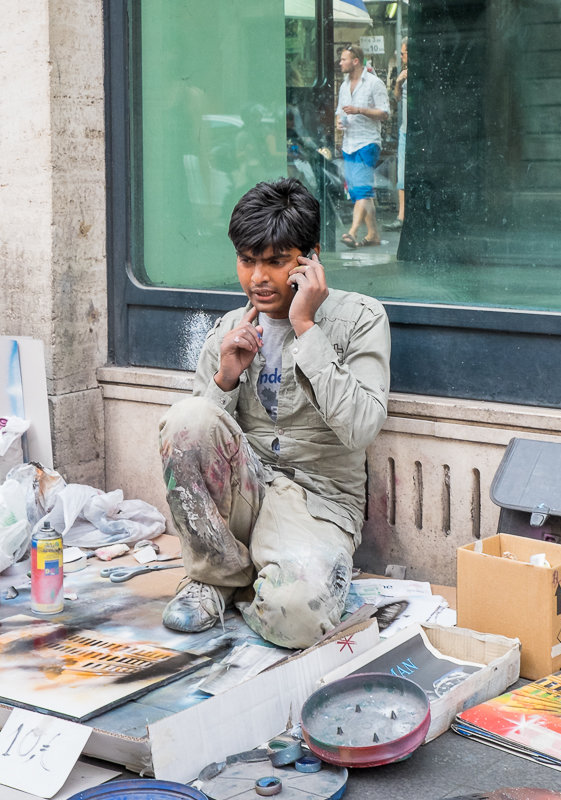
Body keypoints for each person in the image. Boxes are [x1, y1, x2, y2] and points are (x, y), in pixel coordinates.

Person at [158, 177, 391, 649]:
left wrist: (306, 328)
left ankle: (234, 583)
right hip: (246, 492)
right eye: (247, 261)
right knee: (188, 417)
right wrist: (225, 377)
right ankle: (218, 573)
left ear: (310, 258)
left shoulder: (361, 319)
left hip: (319, 503)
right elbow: (194, 445)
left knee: (298, 622)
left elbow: (362, 426)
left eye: (275, 261)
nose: (258, 278)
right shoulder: (229, 329)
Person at [336, 45, 390, 248]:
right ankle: (373, 234)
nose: (340, 63)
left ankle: (352, 232)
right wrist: (339, 122)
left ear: (355, 61)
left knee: (362, 188)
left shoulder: (374, 83)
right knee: (360, 193)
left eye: (344, 59)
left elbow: (384, 113)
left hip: (368, 142)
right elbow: (338, 113)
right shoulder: (343, 85)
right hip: (348, 142)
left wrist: (359, 110)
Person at [385, 38, 409, 232]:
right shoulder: (403, 73)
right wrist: (398, 83)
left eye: (403, 53)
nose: (401, 57)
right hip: (404, 129)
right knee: (401, 173)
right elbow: (397, 98)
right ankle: (401, 215)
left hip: (416, 132)